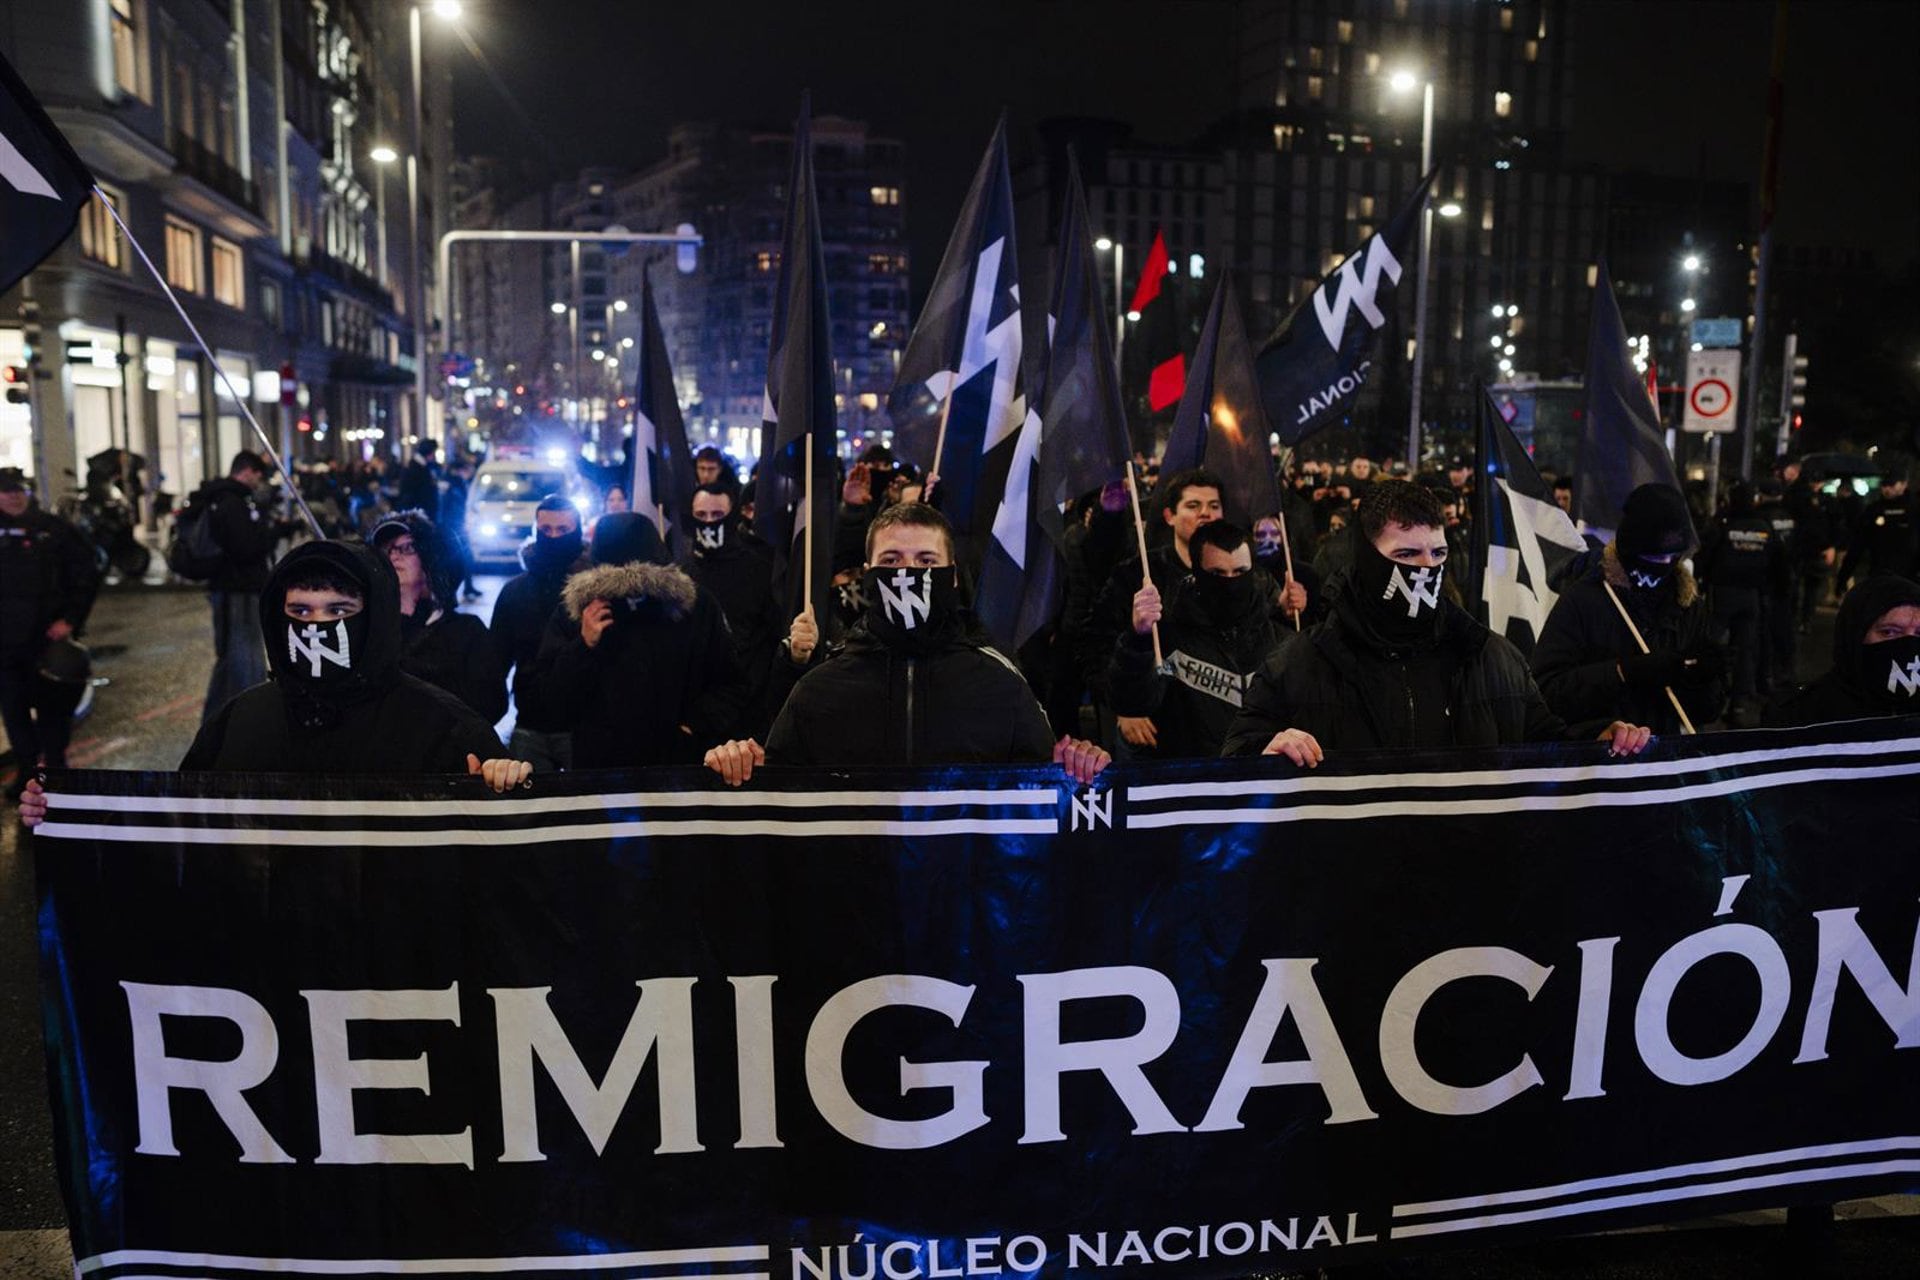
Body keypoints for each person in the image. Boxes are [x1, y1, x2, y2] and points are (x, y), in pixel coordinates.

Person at [20, 540, 530, 828]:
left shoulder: (444, 725)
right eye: (300, 612)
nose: (318, 627)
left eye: (339, 611)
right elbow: (177, 832)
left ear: (372, 617)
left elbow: (510, 863)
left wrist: (505, 783)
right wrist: (63, 814)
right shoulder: (240, 721)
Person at [1222, 481, 1652, 762]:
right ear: (1368, 559)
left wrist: (1599, 740)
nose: (1427, 568)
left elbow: (1543, 744)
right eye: (1407, 555)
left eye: (1438, 553)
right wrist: (1267, 749)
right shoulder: (1300, 663)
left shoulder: (1491, 657)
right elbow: (1235, 757)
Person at [703, 502, 1111, 785]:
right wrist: (738, 765)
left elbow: (1045, 797)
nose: (909, 573)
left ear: (952, 576)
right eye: (892, 560)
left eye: (926, 561)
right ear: (868, 574)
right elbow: (777, 791)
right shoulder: (819, 688)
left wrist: (1079, 766)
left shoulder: (1001, 684)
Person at [524, 512, 747, 770]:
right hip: (601, 769)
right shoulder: (579, 612)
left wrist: (692, 726)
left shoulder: (695, 606)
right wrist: (583, 646)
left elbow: (730, 684)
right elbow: (549, 698)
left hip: (678, 766)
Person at [1531, 482, 1728, 737]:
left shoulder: (1687, 605)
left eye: (1672, 557)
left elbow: (1707, 711)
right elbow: (1545, 693)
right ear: (1630, 549)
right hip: (1600, 752)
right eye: (1653, 558)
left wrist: (1700, 680)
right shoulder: (1584, 600)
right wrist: (1623, 672)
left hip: (1664, 754)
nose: (1663, 565)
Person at [1111, 521, 1287, 759]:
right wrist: (1138, 638)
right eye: (1217, 573)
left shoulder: (1280, 641)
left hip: (1261, 778)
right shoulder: (1168, 637)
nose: (1230, 582)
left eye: (1240, 572)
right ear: (1196, 573)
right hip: (1191, 775)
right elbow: (1133, 701)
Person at [0, 468, 100, 801]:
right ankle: (27, 771)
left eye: (20, 490)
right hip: (5, 642)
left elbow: (86, 572)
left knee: (53, 710)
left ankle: (55, 771)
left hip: (47, 638)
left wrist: (71, 619)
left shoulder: (54, 529)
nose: (14, 496)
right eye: (7, 491)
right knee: (13, 709)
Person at [371, 511, 508, 725]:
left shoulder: (466, 631)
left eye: (407, 548)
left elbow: (491, 705)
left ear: (430, 558)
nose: (394, 556)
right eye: (386, 550)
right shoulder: (370, 631)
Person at [487, 495, 592, 771]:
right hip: (530, 725)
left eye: (563, 530)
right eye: (546, 530)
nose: (554, 537)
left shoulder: (594, 591)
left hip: (583, 726)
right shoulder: (515, 591)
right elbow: (495, 662)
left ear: (577, 532)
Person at [195, 450, 295, 723]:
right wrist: (272, 532)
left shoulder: (230, 499)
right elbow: (246, 548)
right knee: (244, 658)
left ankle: (218, 720)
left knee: (232, 658)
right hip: (238, 588)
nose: (258, 481)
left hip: (236, 587)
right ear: (247, 471)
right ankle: (249, 720)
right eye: (257, 475)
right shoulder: (231, 502)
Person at [685, 483, 780, 736]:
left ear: (732, 516)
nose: (709, 522)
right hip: (693, 716)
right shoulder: (680, 573)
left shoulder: (759, 570)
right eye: (701, 515)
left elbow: (771, 639)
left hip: (747, 714)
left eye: (717, 515)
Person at [1767, 576, 1920, 726]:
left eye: (1918, 633)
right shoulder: (1798, 717)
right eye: (1889, 632)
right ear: (1854, 635)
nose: (1909, 644)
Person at [1695, 482, 1789, 727]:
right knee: (1745, 652)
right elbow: (1779, 562)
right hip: (1751, 597)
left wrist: (1700, 582)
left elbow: (1705, 556)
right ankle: (1738, 706)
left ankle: (1701, 698)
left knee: (1707, 646)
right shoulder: (1764, 527)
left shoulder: (1724, 524)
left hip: (1723, 595)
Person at [1836, 468, 1915, 594]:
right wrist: (1843, 577)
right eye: (1884, 485)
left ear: (1904, 484)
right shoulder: (1873, 510)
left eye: (1891, 485)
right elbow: (1857, 546)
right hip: (1880, 576)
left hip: (1910, 579)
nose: (1887, 489)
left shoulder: (1914, 510)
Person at [396, 438, 442, 519]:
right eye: (433, 452)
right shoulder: (416, 468)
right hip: (417, 512)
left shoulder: (420, 465)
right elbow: (419, 492)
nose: (434, 456)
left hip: (420, 511)